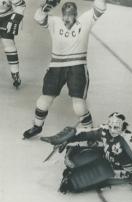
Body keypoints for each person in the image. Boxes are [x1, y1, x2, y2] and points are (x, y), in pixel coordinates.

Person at [23, 0, 107, 139]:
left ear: (75, 14)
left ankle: (90, 134)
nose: (67, 18)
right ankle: (38, 127)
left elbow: (38, 17)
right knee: (47, 100)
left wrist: (45, 7)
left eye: (70, 15)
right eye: (66, 15)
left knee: (73, 104)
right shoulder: (73, 21)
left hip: (67, 66)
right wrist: (45, 7)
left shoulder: (64, 21)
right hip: (66, 66)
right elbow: (100, 7)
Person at [41, 112, 132, 193]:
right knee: (77, 156)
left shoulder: (129, 139)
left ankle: (74, 180)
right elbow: (87, 133)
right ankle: (74, 153)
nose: (112, 130)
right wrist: (68, 137)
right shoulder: (105, 131)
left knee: (75, 182)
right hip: (107, 157)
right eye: (110, 126)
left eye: (116, 127)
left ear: (123, 127)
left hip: (119, 170)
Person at [0, 0, 26, 88]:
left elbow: (21, 5)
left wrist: (14, 19)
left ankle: (15, 73)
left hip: (6, 17)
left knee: (8, 43)